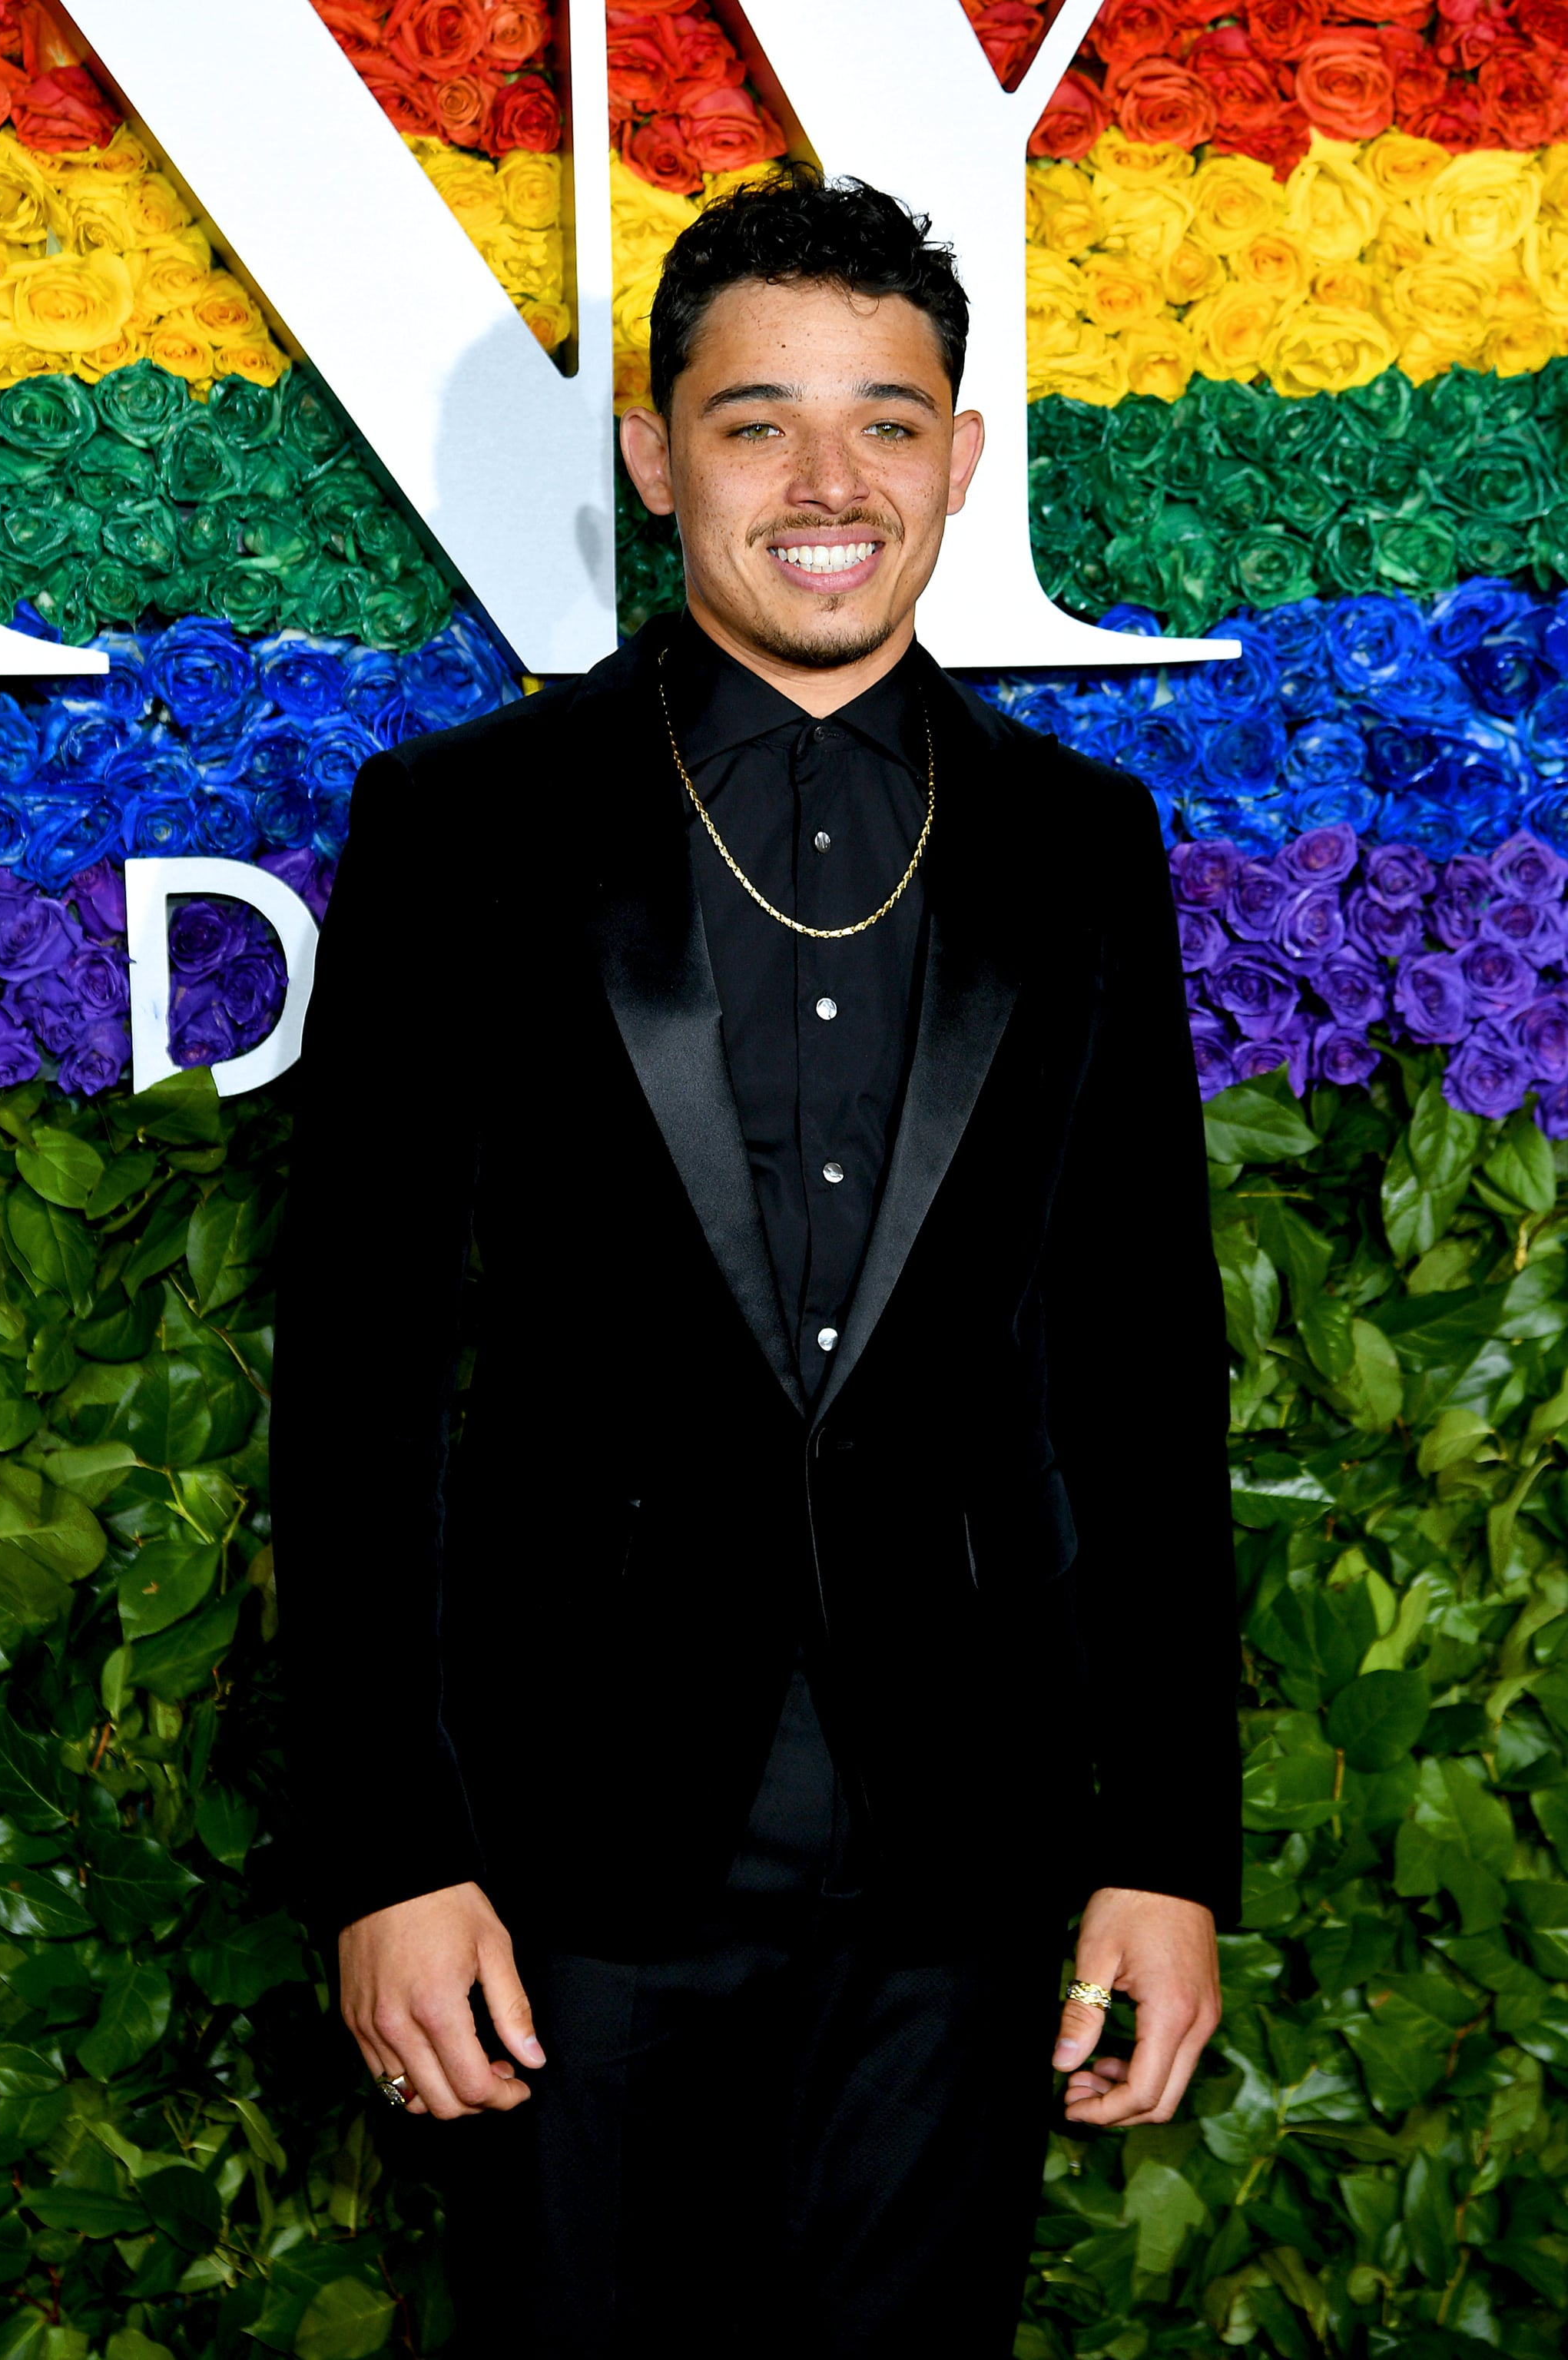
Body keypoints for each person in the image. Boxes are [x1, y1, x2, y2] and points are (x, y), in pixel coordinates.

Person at [271, 164, 1240, 2358]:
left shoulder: (1082, 850)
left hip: (964, 1870)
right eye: (757, 421)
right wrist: (387, 1856)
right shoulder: (463, 828)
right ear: (653, 453)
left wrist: (1168, 1847)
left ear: (963, 461)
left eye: (889, 423)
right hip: (566, 1861)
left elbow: (1139, 1379)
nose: (830, 483)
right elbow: (358, 1383)